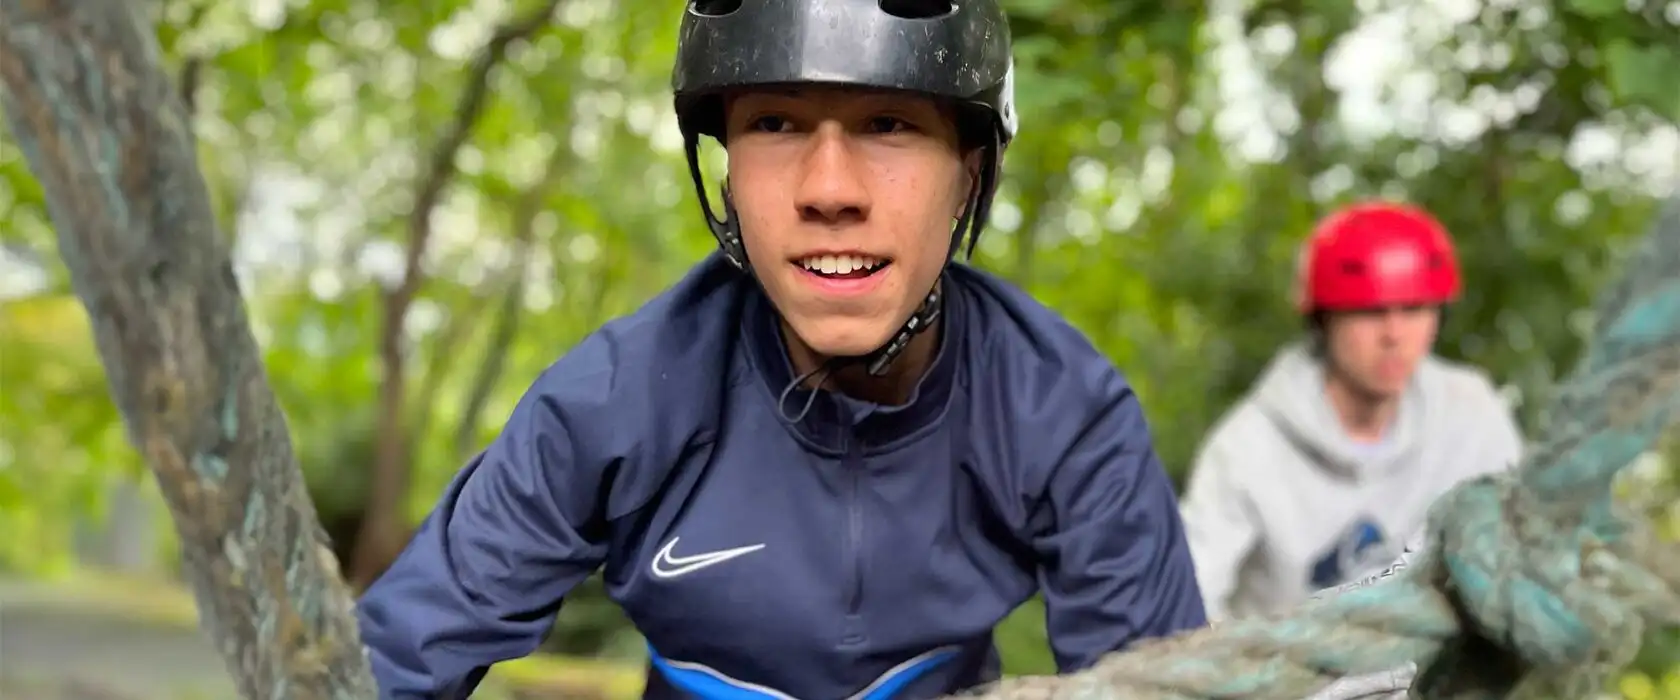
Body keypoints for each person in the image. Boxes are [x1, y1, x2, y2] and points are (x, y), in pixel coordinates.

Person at [354, 1, 1207, 698]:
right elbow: (386, 665)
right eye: (774, 122)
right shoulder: (611, 404)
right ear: (727, 179)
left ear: (970, 177)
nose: (829, 190)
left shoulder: (1063, 413)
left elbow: (1162, 687)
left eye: (888, 123)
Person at [1178, 201, 1524, 623]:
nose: (1395, 335)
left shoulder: (1472, 415)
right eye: (1370, 311)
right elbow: (1189, 595)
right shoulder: (1245, 449)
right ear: (1323, 321)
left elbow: (1526, 556)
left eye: (1415, 309)